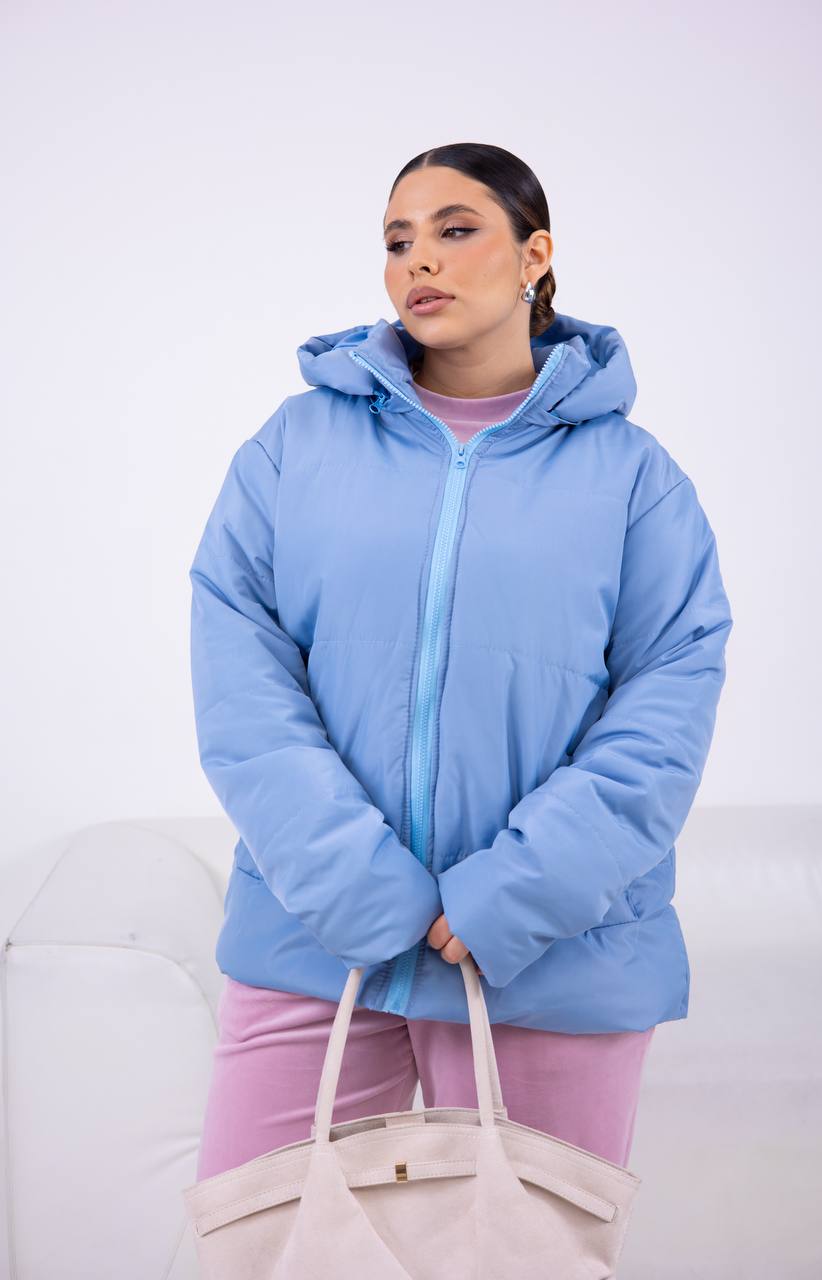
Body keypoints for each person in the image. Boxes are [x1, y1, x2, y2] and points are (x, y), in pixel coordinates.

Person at [188, 142, 733, 1183]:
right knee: (264, 1240)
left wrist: (517, 890)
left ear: (535, 255)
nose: (418, 262)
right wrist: (349, 878)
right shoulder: (295, 447)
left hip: (552, 959)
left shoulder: (634, 479)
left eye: (454, 230)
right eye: (397, 241)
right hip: (315, 946)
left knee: (529, 1250)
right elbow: (239, 674)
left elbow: (667, 704)